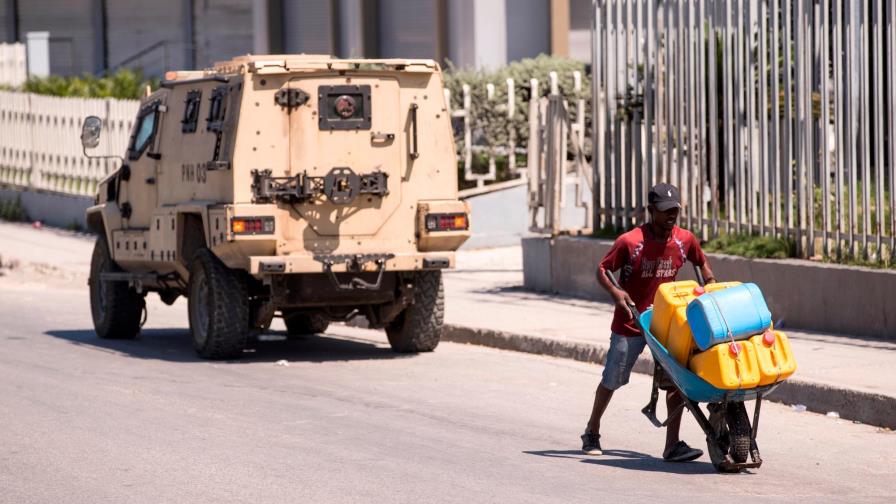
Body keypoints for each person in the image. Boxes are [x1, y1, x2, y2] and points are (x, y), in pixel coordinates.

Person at [581, 183, 716, 462]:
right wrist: (617, 294)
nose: (671, 216)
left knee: (677, 383)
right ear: (651, 210)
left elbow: (702, 265)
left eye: (675, 211)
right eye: (665, 211)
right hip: (631, 321)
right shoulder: (631, 241)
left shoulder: (684, 239)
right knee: (613, 379)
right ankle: (591, 431)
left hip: (667, 324)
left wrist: (711, 286)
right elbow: (603, 269)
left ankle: (672, 445)